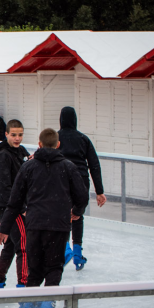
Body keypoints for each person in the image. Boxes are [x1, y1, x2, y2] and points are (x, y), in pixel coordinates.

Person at [0, 128, 88, 308]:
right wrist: (76, 212)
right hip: (58, 225)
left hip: (35, 225)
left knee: (35, 269)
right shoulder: (68, 167)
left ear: (39, 144)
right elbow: (82, 196)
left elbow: (14, 202)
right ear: (57, 145)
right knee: (54, 268)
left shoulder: (28, 167)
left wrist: (3, 229)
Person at [58, 106, 106, 271]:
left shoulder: (56, 138)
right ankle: (77, 252)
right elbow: (94, 166)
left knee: (62, 215)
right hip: (81, 181)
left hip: (61, 180)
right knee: (77, 215)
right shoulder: (83, 139)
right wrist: (99, 191)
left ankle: (65, 249)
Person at [0, 120, 30, 289]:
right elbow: (6, 186)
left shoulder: (19, 152)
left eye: (20, 135)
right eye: (13, 135)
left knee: (12, 244)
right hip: (9, 207)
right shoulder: (4, 156)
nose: (17, 138)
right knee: (24, 243)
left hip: (12, 206)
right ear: (6, 134)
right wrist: (21, 209)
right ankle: (23, 285)